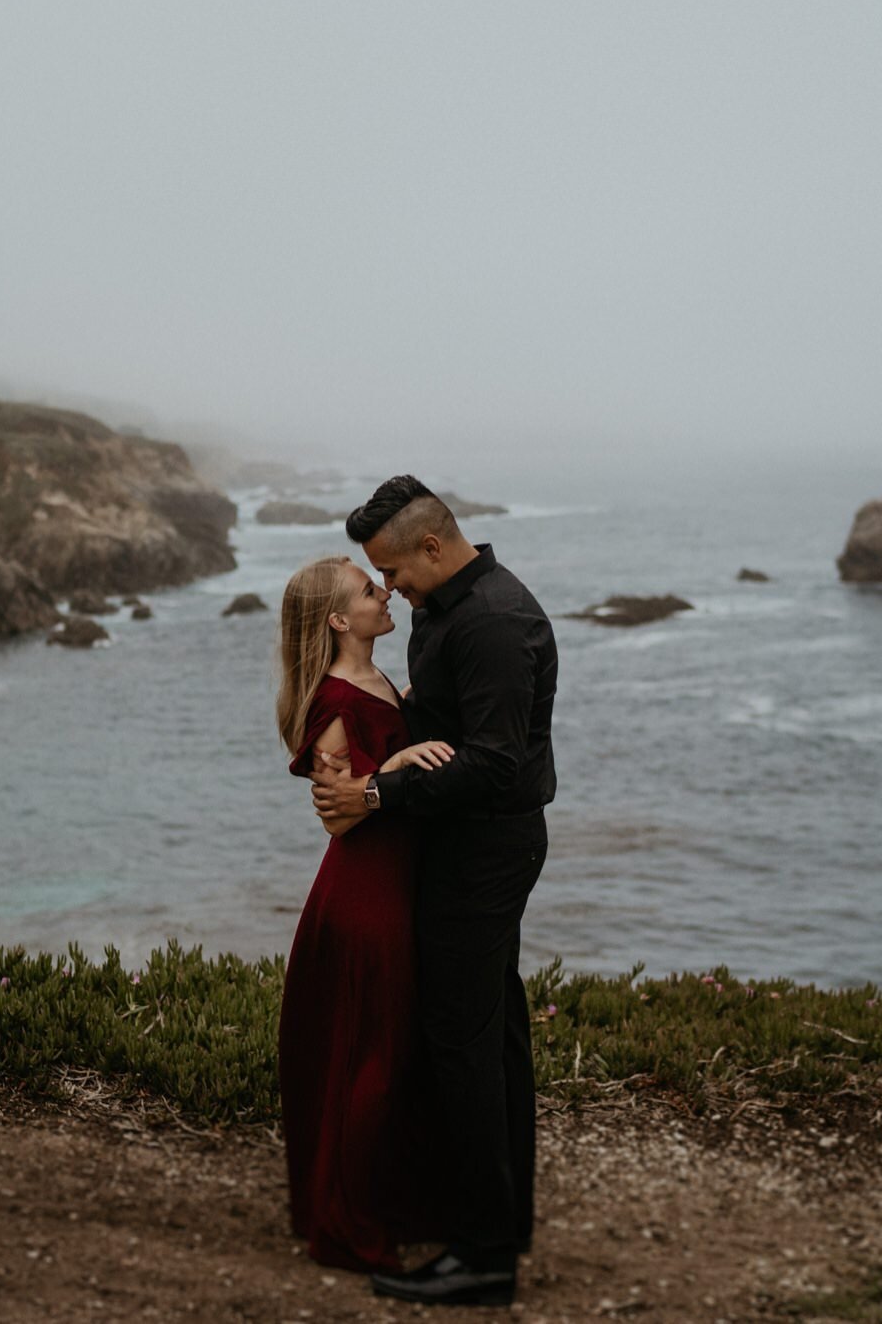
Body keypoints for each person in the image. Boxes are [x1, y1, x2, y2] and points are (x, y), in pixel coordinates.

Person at [310, 476, 558, 1309]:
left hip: (484, 852)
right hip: (462, 848)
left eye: (393, 571)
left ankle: (482, 1255)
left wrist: (375, 796)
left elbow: (494, 763)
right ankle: (500, 1221)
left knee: (464, 1042)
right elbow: (445, 723)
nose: (390, 589)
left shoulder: (491, 621)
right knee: (493, 1035)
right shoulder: (448, 608)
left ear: (430, 545)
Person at [275, 554, 458, 1271]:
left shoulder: (375, 679)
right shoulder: (331, 704)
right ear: (339, 621)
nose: (385, 593)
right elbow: (339, 822)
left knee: (392, 1058)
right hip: (364, 900)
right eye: (366, 589)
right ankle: (350, 1230)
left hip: (396, 889)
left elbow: (387, 736)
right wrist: (400, 762)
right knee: (370, 1065)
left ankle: (388, 1203)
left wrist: (411, 715)